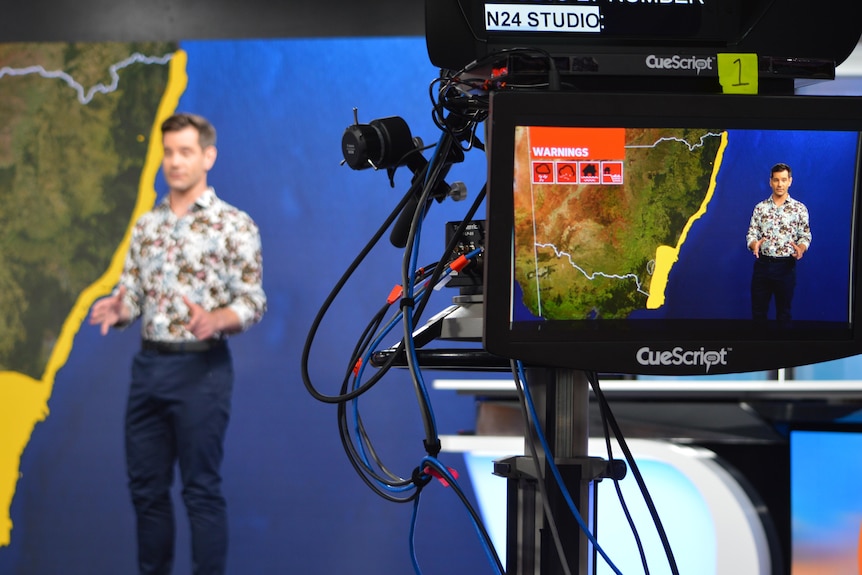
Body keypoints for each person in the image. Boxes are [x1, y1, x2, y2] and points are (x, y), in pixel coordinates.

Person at [88, 112, 266, 574]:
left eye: (185, 152)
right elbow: (134, 294)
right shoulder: (148, 226)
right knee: (146, 492)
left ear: (208, 156)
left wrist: (217, 320)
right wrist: (119, 308)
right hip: (149, 369)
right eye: (168, 152)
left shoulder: (234, 225)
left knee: (200, 490)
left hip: (201, 370)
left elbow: (252, 300)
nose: (175, 162)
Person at [746, 162, 811, 321]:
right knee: (758, 313)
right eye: (776, 180)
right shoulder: (760, 208)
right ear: (770, 182)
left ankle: (782, 346)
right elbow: (751, 233)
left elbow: (805, 235)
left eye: (783, 180)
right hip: (763, 266)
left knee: (784, 313)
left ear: (790, 181)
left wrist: (801, 248)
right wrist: (754, 244)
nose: (779, 184)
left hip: (786, 267)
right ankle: (760, 345)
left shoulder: (799, 209)